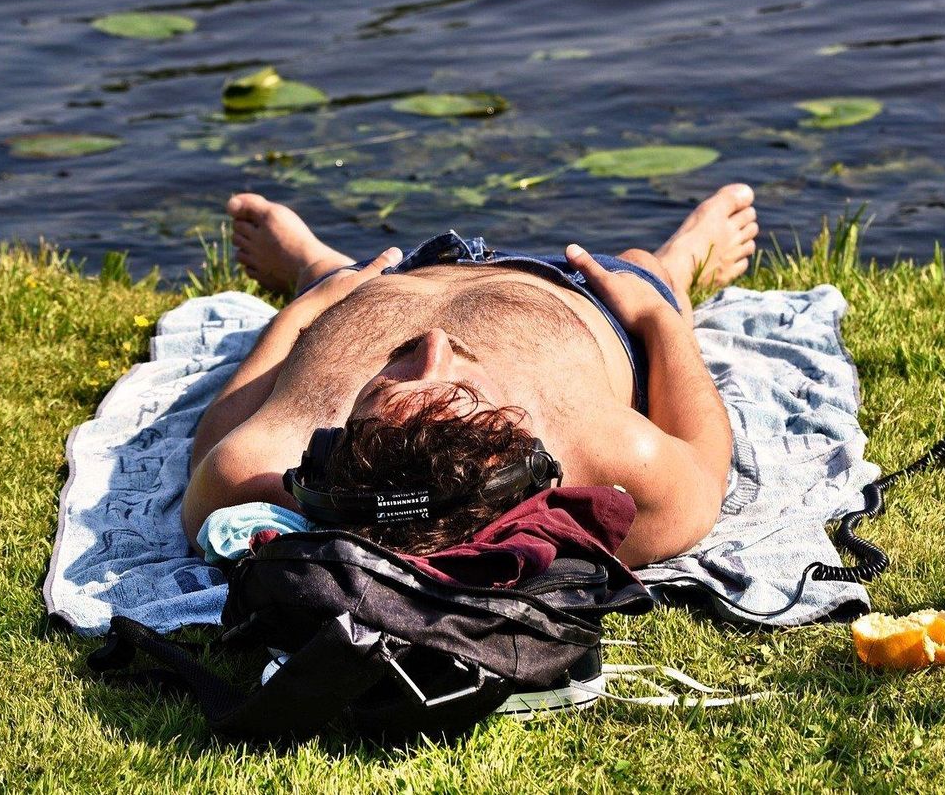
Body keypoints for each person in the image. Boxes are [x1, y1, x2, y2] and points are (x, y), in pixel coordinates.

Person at [182, 184, 759, 568]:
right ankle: (681, 261)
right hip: (581, 290)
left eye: (390, 380)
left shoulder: (258, 464)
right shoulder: (617, 458)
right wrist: (656, 316)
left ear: (337, 445)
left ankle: (312, 261)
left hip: (373, 284)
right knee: (644, 263)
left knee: (328, 273)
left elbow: (216, 436)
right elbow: (705, 460)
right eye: (465, 389)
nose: (433, 347)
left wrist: (310, 307)